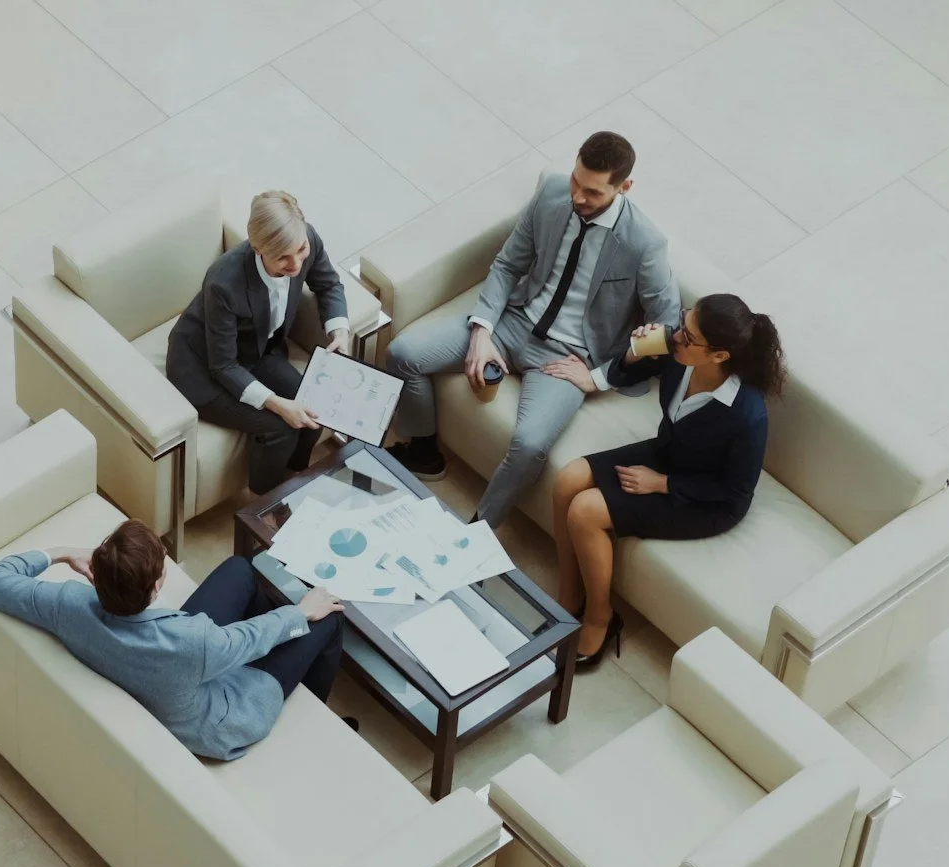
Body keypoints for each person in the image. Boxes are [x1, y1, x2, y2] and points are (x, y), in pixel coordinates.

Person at [385, 132, 681, 527]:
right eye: (576, 181)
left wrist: (599, 377)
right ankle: (423, 452)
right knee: (403, 353)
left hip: (568, 359)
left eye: (592, 192)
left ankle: (477, 534)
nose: (578, 196)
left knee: (529, 444)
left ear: (624, 187)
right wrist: (482, 331)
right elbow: (508, 264)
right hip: (513, 321)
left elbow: (668, 327)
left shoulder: (645, 244)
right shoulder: (553, 193)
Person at [0, 520, 349, 760]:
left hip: (167, 668)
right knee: (326, 621)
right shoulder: (193, 641)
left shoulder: (67, 604)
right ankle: (306, 702)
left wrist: (60, 553)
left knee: (239, 569)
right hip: (216, 717)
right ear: (156, 586)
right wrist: (302, 612)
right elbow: (249, 638)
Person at [547, 293, 785, 669]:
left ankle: (601, 618)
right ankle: (567, 597)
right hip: (669, 452)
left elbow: (736, 490)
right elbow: (627, 374)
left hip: (705, 500)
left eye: (689, 337)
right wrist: (633, 354)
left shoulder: (746, 415)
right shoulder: (678, 354)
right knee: (568, 480)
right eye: (683, 320)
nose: (677, 335)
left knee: (585, 512)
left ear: (719, 356)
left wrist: (664, 484)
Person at [165, 190, 351, 493]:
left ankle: (294, 477)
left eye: (300, 250)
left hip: (259, 352)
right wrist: (278, 405)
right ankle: (266, 502)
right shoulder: (223, 282)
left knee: (312, 407)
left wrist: (339, 332)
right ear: (257, 248)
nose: (295, 265)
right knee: (282, 427)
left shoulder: (307, 240)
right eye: (282, 258)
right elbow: (223, 365)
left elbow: (329, 283)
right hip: (203, 369)